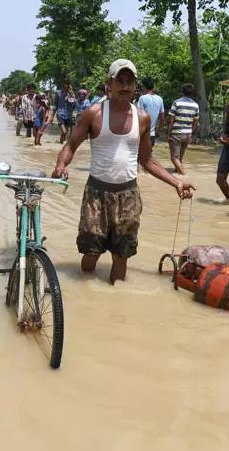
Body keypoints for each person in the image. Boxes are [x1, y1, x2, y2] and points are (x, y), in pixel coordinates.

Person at [51, 59, 195, 285]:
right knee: (91, 252)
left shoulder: (142, 118)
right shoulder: (93, 113)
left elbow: (147, 160)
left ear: (135, 86)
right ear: (109, 83)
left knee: (122, 255)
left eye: (130, 82)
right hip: (95, 194)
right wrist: (60, 167)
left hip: (128, 196)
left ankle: (115, 304)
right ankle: (86, 296)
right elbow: (70, 146)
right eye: (120, 81)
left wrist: (176, 182)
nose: (125, 87)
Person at [167, 84, 199, 175]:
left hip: (177, 133)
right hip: (188, 133)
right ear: (192, 93)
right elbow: (196, 122)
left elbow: (171, 120)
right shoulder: (196, 105)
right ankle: (178, 171)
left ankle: (183, 174)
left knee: (174, 158)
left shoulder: (177, 102)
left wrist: (169, 133)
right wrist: (191, 132)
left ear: (182, 92)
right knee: (180, 157)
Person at [136, 77, 165, 148]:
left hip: (142, 134)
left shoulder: (142, 98)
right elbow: (162, 118)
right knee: (148, 157)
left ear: (144, 86)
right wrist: (159, 131)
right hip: (152, 135)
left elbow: (139, 116)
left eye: (142, 86)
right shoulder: (160, 99)